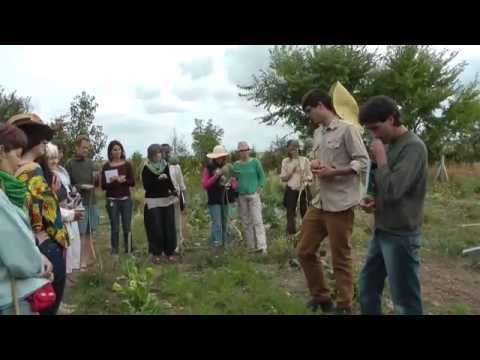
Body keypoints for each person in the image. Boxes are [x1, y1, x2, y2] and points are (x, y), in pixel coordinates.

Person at [297, 88, 369, 314]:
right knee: (304, 251)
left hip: (341, 204)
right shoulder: (318, 133)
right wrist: (316, 165)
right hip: (320, 202)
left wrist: (336, 172)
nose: (309, 116)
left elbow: (363, 162)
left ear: (320, 106)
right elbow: (320, 160)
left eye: (310, 111)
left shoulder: (347, 130)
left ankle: (345, 305)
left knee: (340, 257)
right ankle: (322, 297)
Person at [358, 95, 427, 315]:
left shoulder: (414, 148)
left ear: (391, 118)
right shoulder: (389, 145)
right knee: (368, 288)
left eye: (376, 128)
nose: (374, 135)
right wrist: (374, 201)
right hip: (382, 230)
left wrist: (381, 160)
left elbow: (394, 190)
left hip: (401, 235)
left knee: (405, 301)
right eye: (370, 130)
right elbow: (385, 191)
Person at [8, 113, 69, 315]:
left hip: (32, 245)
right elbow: (41, 210)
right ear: (28, 138)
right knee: (50, 305)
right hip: (47, 245)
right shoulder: (33, 170)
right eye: (41, 135)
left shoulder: (13, 172)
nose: (46, 141)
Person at [0, 123, 53, 315]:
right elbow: (18, 255)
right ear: (1, 151)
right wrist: (39, 262)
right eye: (16, 155)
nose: (18, 162)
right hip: (10, 297)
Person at [45, 143, 83, 277]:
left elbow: (69, 188)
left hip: (70, 213)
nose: (54, 161)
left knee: (72, 249)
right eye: (50, 158)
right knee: (63, 255)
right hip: (60, 218)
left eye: (55, 157)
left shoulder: (61, 170)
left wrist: (75, 201)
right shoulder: (44, 176)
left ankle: (69, 277)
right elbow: (49, 203)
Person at [65, 135, 99, 272]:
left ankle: (91, 258)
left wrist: (97, 179)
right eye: (83, 147)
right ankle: (81, 261)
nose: (86, 150)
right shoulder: (70, 164)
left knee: (91, 231)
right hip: (79, 203)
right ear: (76, 147)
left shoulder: (91, 163)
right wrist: (81, 186)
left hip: (92, 201)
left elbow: (96, 184)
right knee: (81, 233)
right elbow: (67, 185)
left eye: (88, 148)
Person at [142, 144, 177, 263]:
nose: (160, 154)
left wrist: (173, 190)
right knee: (156, 228)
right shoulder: (146, 168)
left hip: (166, 200)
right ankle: (156, 253)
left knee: (169, 226)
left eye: (160, 152)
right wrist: (158, 180)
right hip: (153, 201)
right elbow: (147, 186)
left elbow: (169, 181)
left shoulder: (164, 165)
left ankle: (170, 252)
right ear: (152, 155)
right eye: (157, 153)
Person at [232, 141, 267, 254]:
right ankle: (251, 247)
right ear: (238, 152)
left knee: (257, 220)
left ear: (249, 150)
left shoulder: (255, 162)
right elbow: (233, 179)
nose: (243, 152)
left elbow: (262, 176)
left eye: (245, 150)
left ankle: (262, 247)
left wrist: (259, 187)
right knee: (246, 221)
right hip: (241, 196)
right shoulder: (236, 165)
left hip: (253, 194)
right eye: (241, 150)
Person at [101, 140, 135, 255]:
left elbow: (132, 182)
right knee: (114, 226)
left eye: (119, 149)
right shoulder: (106, 166)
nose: (117, 151)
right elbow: (103, 186)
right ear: (110, 152)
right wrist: (114, 181)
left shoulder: (127, 164)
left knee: (127, 225)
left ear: (122, 150)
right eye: (115, 149)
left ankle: (129, 250)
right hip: (112, 200)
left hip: (126, 200)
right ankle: (114, 250)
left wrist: (123, 180)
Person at [202, 145, 238, 248]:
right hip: (214, 199)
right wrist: (216, 176)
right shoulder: (208, 168)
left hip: (226, 197)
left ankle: (226, 244)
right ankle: (217, 244)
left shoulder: (228, 167)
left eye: (221, 156)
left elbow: (235, 184)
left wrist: (232, 182)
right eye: (218, 156)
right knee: (217, 223)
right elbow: (205, 184)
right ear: (214, 157)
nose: (220, 158)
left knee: (225, 221)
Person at [280, 139, 313, 236]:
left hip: (303, 190)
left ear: (299, 149)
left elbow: (310, 176)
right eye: (291, 149)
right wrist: (292, 172)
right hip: (291, 190)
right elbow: (283, 178)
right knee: (290, 214)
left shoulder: (305, 160)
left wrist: (306, 178)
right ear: (288, 150)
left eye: (295, 149)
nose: (293, 151)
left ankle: (307, 235)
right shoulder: (286, 161)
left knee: (305, 213)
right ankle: (291, 235)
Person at [160, 144, 187, 253]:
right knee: (164, 223)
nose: (167, 154)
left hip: (175, 197)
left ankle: (178, 244)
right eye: (165, 152)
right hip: (163, 198)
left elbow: (181, 184)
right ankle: (165, 246)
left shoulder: (176, 166)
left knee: (177, 223)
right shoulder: (158, 167)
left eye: (169, 151)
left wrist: (184, 201)